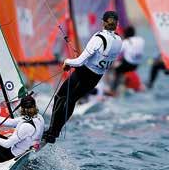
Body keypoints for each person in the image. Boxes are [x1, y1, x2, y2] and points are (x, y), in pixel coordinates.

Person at [42, 11, 123, 144]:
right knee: (72, 100)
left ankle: (51, 131)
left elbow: (79, 62)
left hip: (84, 73)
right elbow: (102, 57)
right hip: (96, 77)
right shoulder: (119, 40)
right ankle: (55, 132)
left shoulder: (98, 38)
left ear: (102, 22)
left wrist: (67, 62)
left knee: (60, 97)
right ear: (117, 24)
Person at [0, 95, 44, 163]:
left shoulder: (26, 126)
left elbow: (7, 144)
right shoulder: (39, 117)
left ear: (21, 108)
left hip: (14, 156)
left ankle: (1, 163)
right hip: (27, 150)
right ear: (34, 106)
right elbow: (11, 122)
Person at [111, 25, 145, 92]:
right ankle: (128, 83)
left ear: (126, 34)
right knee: (121, 61)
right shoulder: (141, 40)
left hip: (128, 64)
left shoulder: (125, 42)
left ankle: (113, 90)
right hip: (137, 64)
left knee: (116, 69)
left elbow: (116, 52)